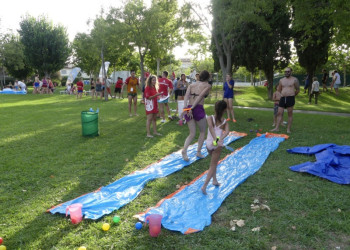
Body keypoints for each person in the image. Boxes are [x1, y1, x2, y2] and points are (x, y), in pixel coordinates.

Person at [181, 70, 212, 161]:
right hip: (197, 108)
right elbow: (200, 97)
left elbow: (186, 96)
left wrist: (186, 108)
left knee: (192, 133)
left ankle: (184, 150)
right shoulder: (207, 85)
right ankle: (198, 152)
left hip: (189, 107)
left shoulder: (191, 85)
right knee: (202, 132)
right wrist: (192, 108)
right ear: (207, 77)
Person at [201, 100, 229, 195]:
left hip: (208, 144)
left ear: (215, 108)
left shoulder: (209, 118)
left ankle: (215, 180)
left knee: (213, 164)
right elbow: (227, 132)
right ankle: (204, 186)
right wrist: (218, 139)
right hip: (217, 145)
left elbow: (211, 128)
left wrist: (215, 139)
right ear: (224, 110)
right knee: (213, 165)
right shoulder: (225, 122)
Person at [271, 67, 300, 134]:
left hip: (290, 98)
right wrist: (283, 93)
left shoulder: (295, 80)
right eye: (285, 71)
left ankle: (288, 129)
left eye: (288, 71)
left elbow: (298, 90)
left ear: (291, 72)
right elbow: (279, 89)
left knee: (289, 114)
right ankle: (276, 128)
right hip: (283, 98)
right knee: (279, 113)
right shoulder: (281, 80)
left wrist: (292, 95)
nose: (286, 73)